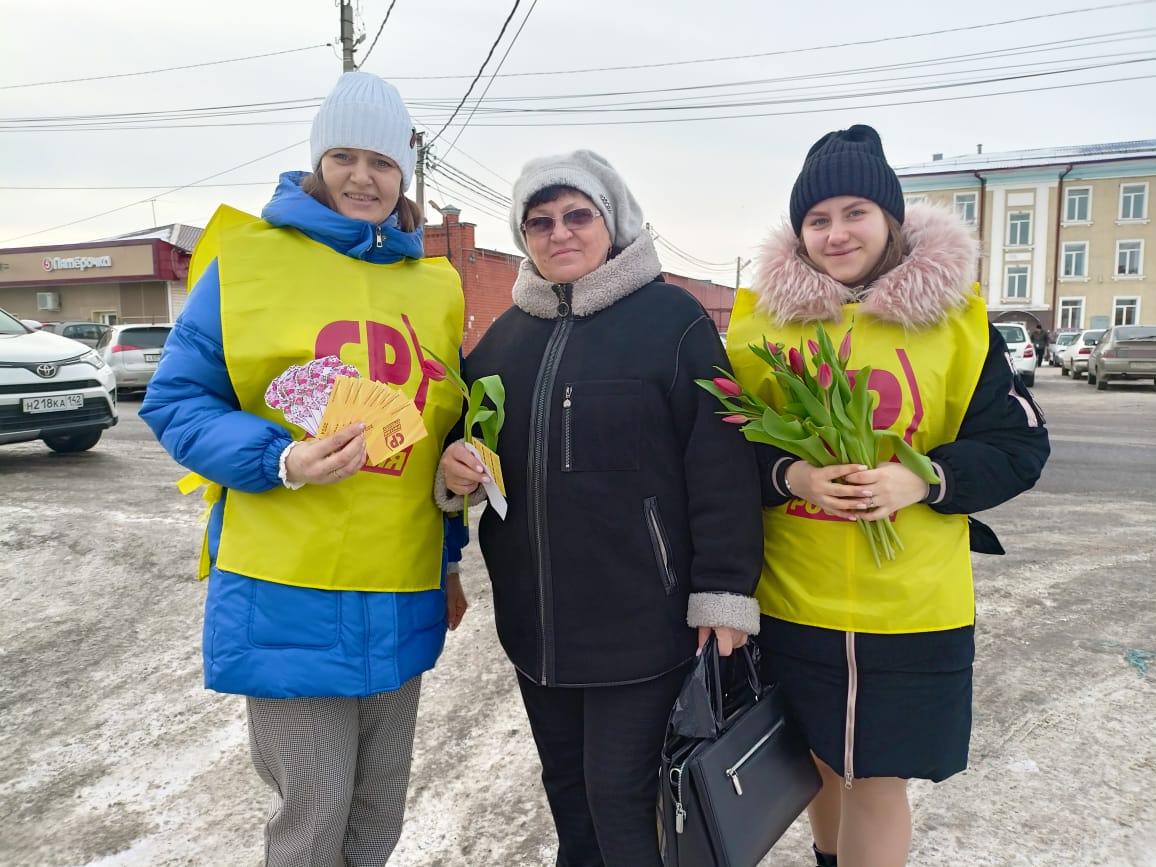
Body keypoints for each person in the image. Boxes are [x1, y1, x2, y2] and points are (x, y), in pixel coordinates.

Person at [140, 71, 468, 867]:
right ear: (318, 162)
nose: (363, 177)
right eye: (345, 157)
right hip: (286, 591)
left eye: (382, 162)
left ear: (405, 172)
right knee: (313, 819)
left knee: (377, 814)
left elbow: (444, 432)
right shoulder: (248, 263)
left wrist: (452, 551)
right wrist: (277, 456)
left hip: (400, 586)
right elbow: (176, 400)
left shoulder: (437, 285)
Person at [726, 125, 1050, 867]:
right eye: (818, 219)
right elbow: (721, 451)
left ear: (891, 218)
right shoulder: (761, 329)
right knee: (811, 763)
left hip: (909, 606)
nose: (836, 233)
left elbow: (1019, 446)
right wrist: (794, 476)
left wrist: (924, 476)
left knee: (875, 777)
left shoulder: (954, 321)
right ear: (798, 230)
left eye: (855, 212)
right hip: (792, 595)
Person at [437, 150, 763, 867]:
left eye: (577, 216)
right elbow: (474, 445)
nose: (559, 233)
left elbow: (722, 464)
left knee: (622, 799)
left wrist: (726, 592)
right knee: (569, 795)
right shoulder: (502, 340)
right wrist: (455, 464)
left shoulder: (671, 321)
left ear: (611, 223)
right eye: (540, 221)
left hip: (640, 624)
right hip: (538, 628)